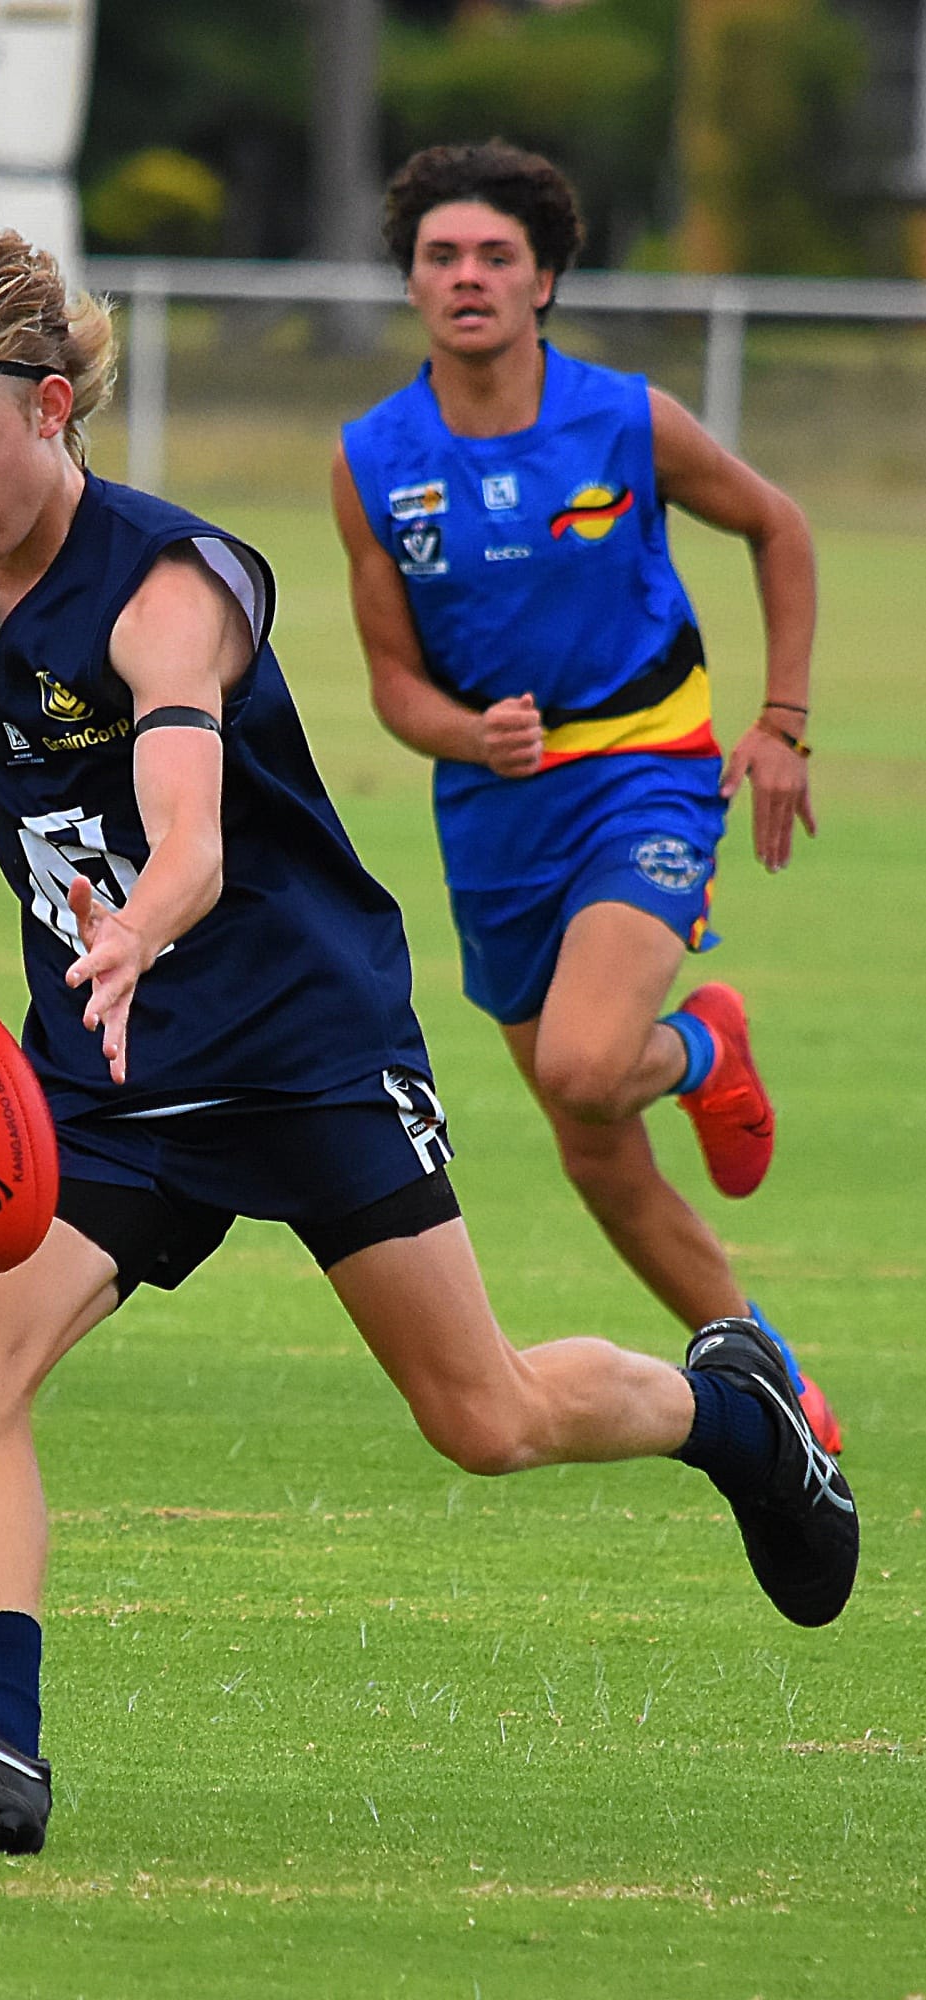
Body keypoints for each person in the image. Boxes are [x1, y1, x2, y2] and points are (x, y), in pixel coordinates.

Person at [0, 222, 856, 1857]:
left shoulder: (171, 589)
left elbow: (190, 829)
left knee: (481, 1417)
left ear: (49, 407)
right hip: (112, 1073)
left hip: (301, 1046)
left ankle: (729, 1410)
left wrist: (141, 922)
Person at [333, 141, 842, 1454]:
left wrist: (780, 722)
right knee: (593, 1146)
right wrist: (465, 730)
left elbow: (776, 524)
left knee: (582, 1064)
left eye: (494, 255)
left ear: (544, 277)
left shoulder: (624, 418)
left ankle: (705, 1048)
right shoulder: (374, 458)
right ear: (408, 283)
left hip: (645, 779)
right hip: (495, 818)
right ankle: (772, 1376)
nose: (466, 277)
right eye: (439, 256)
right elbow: (391, 682)